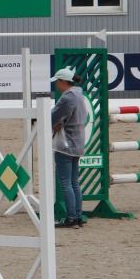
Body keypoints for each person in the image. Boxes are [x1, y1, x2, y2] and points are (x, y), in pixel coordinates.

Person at [50, 67, 90, 228]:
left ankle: (71, 217)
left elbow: (54, 116)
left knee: (65, 182)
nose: (56, 86)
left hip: (65, 143)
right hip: (78, 142)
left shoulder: (68, 97)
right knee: (74, 182)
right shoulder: (79, 95)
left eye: (57, 82)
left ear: (62, 81)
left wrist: (57, 124)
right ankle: (78, 216)